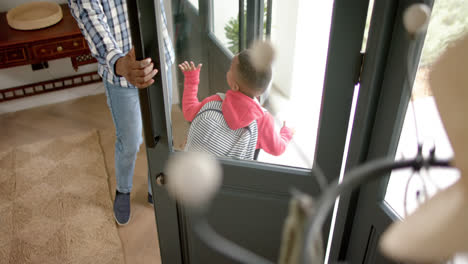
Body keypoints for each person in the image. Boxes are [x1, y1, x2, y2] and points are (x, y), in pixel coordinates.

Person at [68, 0, 175, 225]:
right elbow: (92, 23)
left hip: (159, 63)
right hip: (120, 77)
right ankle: (123, 190)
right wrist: (121, 64)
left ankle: (154, 186)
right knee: (130, 142)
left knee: (161, 134)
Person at [178, 41, 294, 160]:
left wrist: (191, 81)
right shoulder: (264, 120)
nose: (228, 70)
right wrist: (286, 133)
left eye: (230, 68)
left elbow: (188, 111)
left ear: (234, 86)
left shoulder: (215, 102)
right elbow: (278, 148)